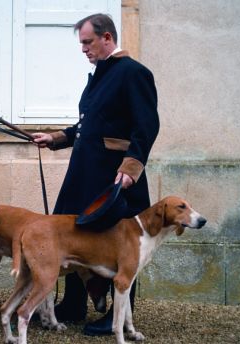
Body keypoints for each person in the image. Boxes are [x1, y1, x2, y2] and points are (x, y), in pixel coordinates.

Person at [32, 13, 160, 336]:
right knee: (74, 233)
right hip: (84, 175)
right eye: (82, 44)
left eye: (88, 42)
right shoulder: (99, 76)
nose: (84, 49)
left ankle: (115, 317)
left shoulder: (134, 73)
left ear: (107, 38)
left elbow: (146, 126)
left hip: (115, 179)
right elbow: (89, 123)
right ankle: (74, 304)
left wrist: (130, 169)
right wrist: (57, 138)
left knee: (121, 244)